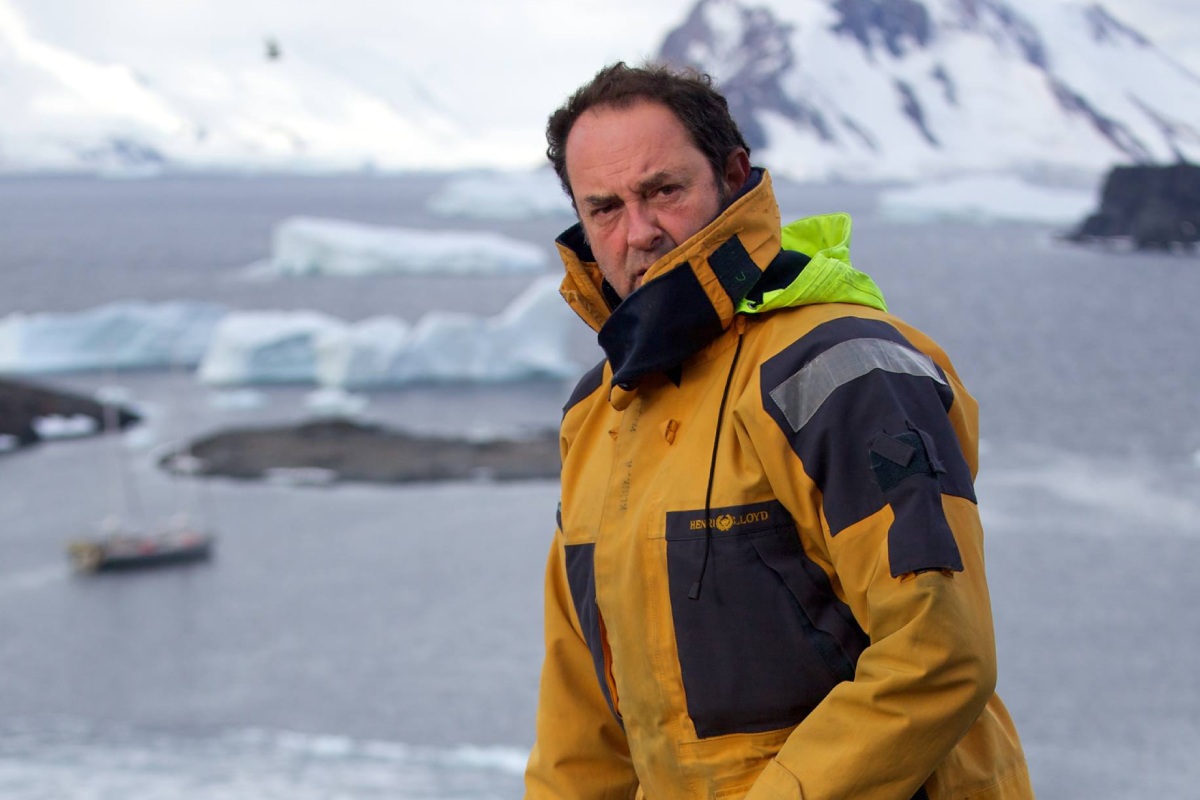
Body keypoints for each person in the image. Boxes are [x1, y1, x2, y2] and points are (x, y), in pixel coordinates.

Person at [525, 62, 1034, 800]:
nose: (638, 232)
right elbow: (583, 712)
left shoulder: (843, 371)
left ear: (733, 176)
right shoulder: (598, 411)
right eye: (603, 207)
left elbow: (939, 654)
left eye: (663, 191)